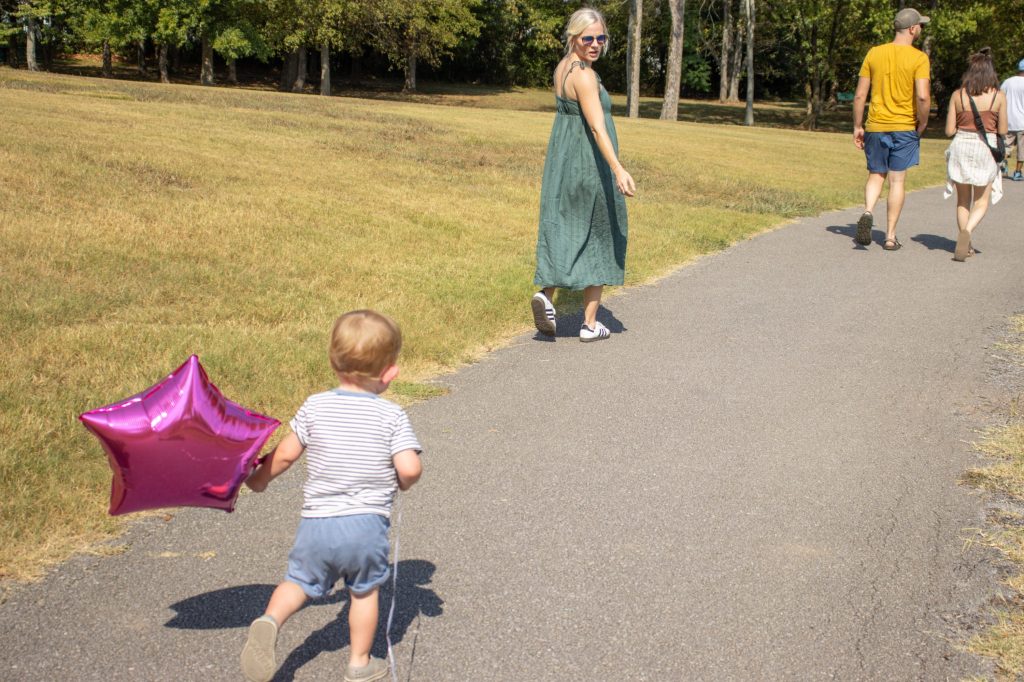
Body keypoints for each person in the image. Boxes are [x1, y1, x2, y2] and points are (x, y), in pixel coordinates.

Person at [240, 310, 423, 682]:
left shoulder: (315, 406)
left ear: (332, 361)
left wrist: (259, 479)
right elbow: (409, 468)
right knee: (363, 592)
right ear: (390, 372)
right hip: (365, 526)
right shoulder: (391, 416)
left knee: (298, 582)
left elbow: (287, 454)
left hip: (317, 524)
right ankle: (359, 662)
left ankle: (270, 620)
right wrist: (404, 481)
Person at [531, 7, 636, 343]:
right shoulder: (586, 77)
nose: (595, 44)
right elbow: (595, 126)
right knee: (602, 235)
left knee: (565, 227)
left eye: (600, 38)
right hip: (589, 164)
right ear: (573, 37)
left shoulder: (563, 69)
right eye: (588, 38)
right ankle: (590, 324)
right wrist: (617, 169)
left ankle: (546, 296)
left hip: (563, 161)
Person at [852, 7, 931, 251]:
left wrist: (857, 125)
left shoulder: (874, 53)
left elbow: (860, 95)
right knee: (897, 181)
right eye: (920, 26)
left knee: (876, 174)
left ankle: (867, 211)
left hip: (876, 125)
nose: (921, 29)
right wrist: (924, 121)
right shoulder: (919, 58)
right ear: (912, 29)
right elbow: (922, 96)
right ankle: (889, 236)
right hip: (904, 126)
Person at [944, 49, 1008, 262]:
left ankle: (964, 238)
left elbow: (949, 131)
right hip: (985, 147)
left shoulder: (957, 95)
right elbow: (1003, 130)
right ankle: (968, 232)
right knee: (981, 200)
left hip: (961, 144)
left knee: (963, 200)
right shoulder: (998, 97)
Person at [1001, 58, 1024, 181]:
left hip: (1008, 120)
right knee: (1022, 149)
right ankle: (1017, 172)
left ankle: (1003, 166)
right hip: (1022, 122)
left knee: (1006, 146)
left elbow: (1000, 97)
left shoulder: (1007, 82)